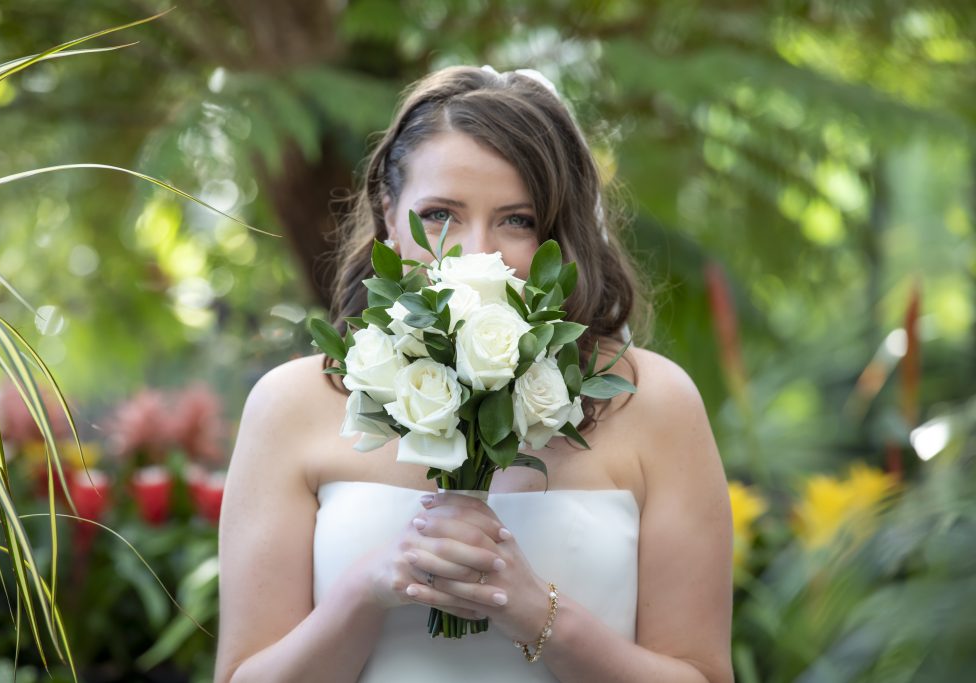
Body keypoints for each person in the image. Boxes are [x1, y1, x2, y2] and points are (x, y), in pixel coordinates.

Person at [214, 65, 734, 683]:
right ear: (388, 214)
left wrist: (534, 612)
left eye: (516, 220)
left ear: (559, 234)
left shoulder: (653, 403)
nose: (476, 251)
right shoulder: (292, 403)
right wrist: (370, 589)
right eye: (439, 214)